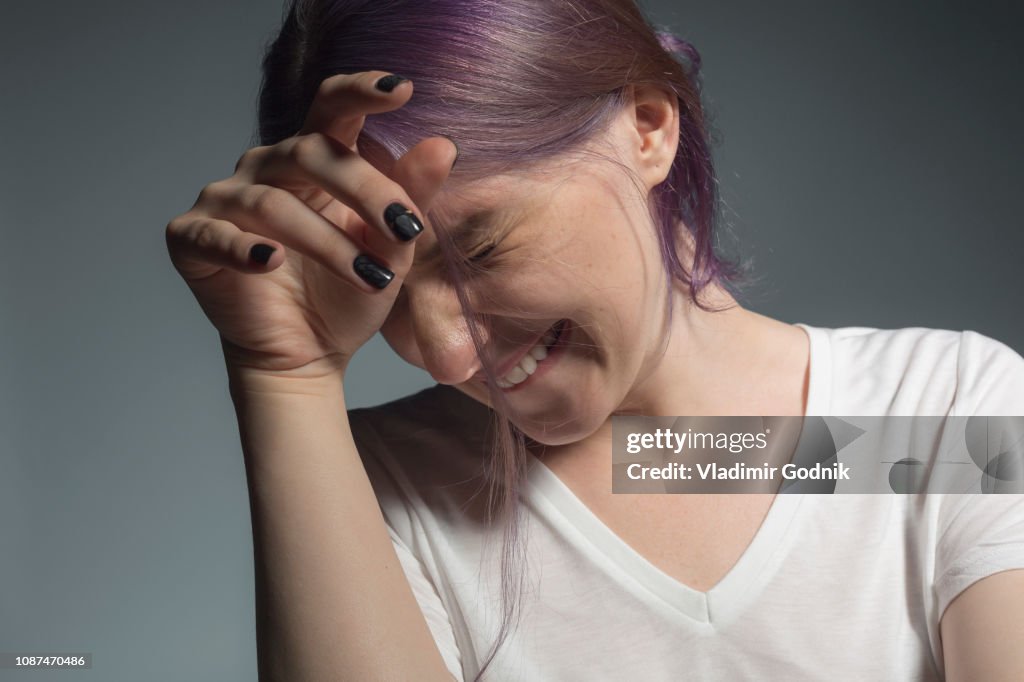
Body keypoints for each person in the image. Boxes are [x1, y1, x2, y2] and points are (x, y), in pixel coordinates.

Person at [164, 0, 1024, 679]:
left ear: (646, 126)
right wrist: (287, 379)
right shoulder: (380, 493)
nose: (448, 353)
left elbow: (702, 463)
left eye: (486, 249)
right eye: (380, 286)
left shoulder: (947, 419)